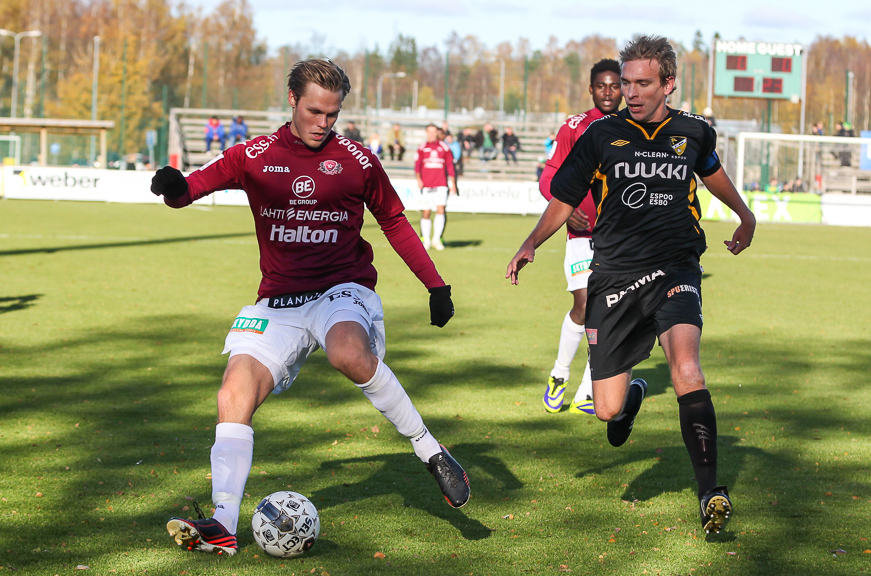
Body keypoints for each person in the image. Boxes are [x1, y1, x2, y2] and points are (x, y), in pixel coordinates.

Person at [152, 59, 470, 557]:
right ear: (293, 101)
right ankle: (222, 523)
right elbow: (189, 191)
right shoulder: (253, 156)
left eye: (333, 113)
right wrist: (173, 187)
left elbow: (395, 222)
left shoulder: (358, 161)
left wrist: (435, 285)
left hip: (342, 290)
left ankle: (430, 451)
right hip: (278, 302)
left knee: (348, 352)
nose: (324, 122)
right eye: (315, 111)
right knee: (233, 392)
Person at [506, 36, 756, 536]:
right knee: (608, 411)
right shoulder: (601, 136)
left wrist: (745, 215)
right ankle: (632, 394)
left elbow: (713, 176)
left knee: (687, 368)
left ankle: (710, 491)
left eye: (643, 83)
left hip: (676, 268)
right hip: (614, 275)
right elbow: (564, 198)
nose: (632, 92)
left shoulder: (694, 132)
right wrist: (531, 241)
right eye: (626, 82)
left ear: (668, 83)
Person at [537, 58, 622, 416]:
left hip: (619, 238)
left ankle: (589, 390)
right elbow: (549, 178)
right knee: (584, 305)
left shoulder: (633, 128)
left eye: (614, 86)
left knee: (609, 312)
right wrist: (566, 208)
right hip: (582, 236)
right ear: (590, 89)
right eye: (601, 85)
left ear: (624, 89)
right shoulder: (575, 127)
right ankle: (559, 375)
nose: (608, 92)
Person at [415, 123, 458, 251]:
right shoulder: (422, 147)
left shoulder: (444, 147)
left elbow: (450, 166)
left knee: (441, 210)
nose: (432, 134)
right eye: (430, 131)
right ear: (426, 133)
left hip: (441, 184)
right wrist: (418, 179)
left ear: (437, 133)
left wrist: (453, 183)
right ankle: (426, 240)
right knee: (426, 212)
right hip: (426, 185)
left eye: (434, 131)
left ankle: (436, 239)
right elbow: (417, 165)